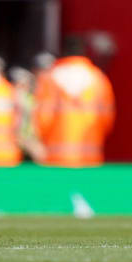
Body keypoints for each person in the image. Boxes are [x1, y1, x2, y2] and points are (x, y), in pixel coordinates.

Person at [33, 38, 115, 167]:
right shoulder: (98, 79)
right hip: (90, 156)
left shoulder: (49, 78)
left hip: (55, 157)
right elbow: (107, 119)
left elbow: (43, 118)